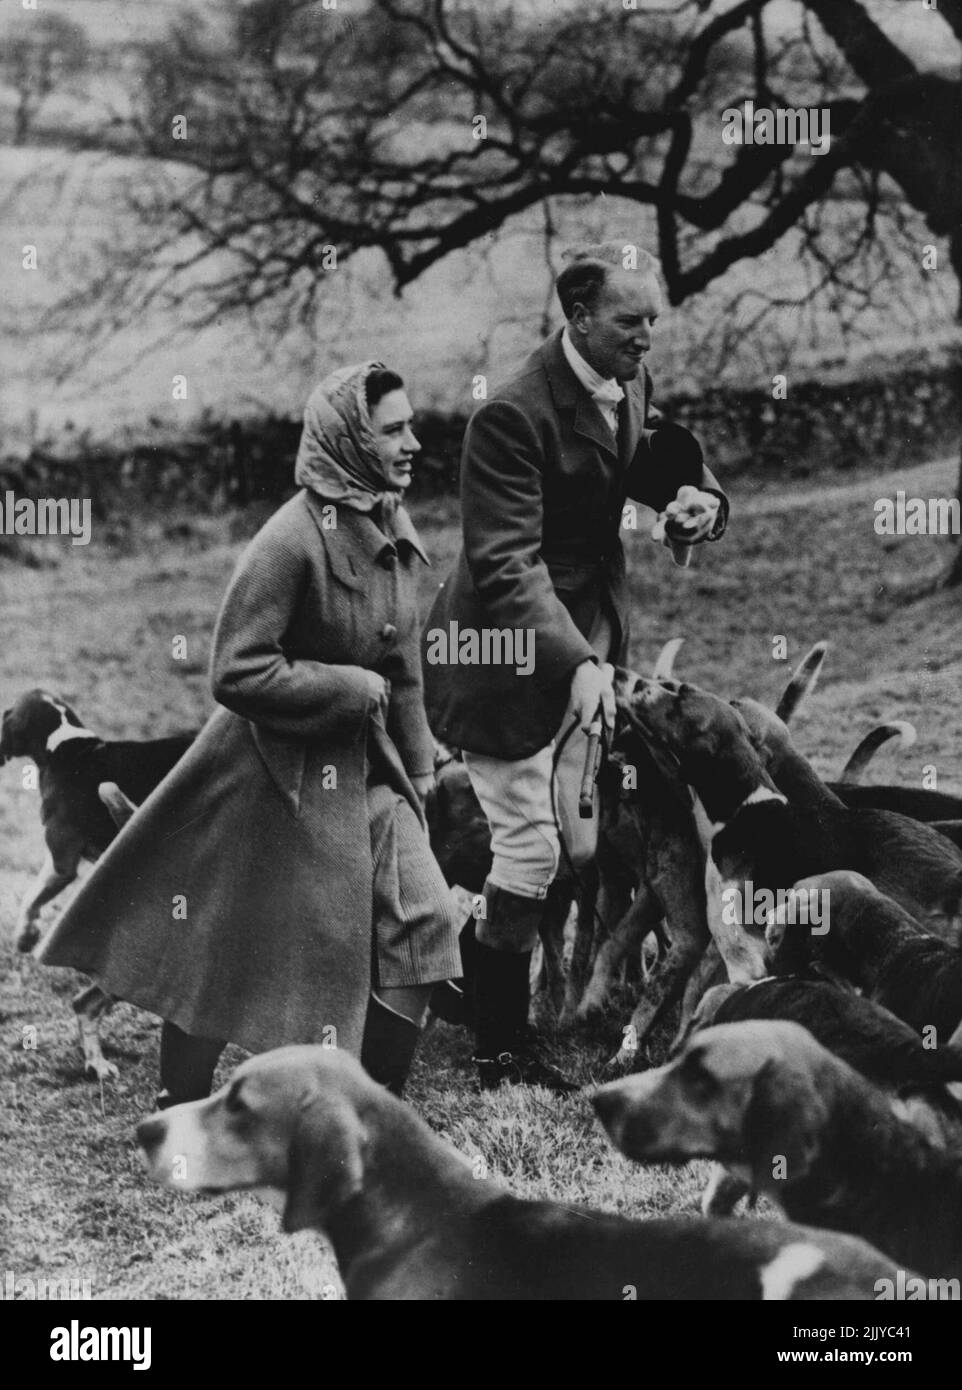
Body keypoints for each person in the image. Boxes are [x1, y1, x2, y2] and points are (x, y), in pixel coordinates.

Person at [39, 362, 461, 1102]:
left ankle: (371, 1106)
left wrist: (421, 768)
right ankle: (182, 1104)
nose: (413, 442)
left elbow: (405, 662)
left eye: (411, 425)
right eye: (393, 429)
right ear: (349, 439)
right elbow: (234, 671)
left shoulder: (390, 522)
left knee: (424, 917)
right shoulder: (289, 541)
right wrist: (345, 689)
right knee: (226, 942)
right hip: (269, 774)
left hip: (367, 769)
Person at [422, 242, 729, 1092]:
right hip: (507, 661)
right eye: (632, 323)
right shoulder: (512, 417)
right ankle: (498, 1052)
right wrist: (578, 662)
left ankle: (457, 963)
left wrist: (696, 501)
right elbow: (504, 564)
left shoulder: (624, 378)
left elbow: (652, 452)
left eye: (654, 322)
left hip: (586, 648)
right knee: (528, 854)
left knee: (569, 848)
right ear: (580, 317)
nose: (648, 339)